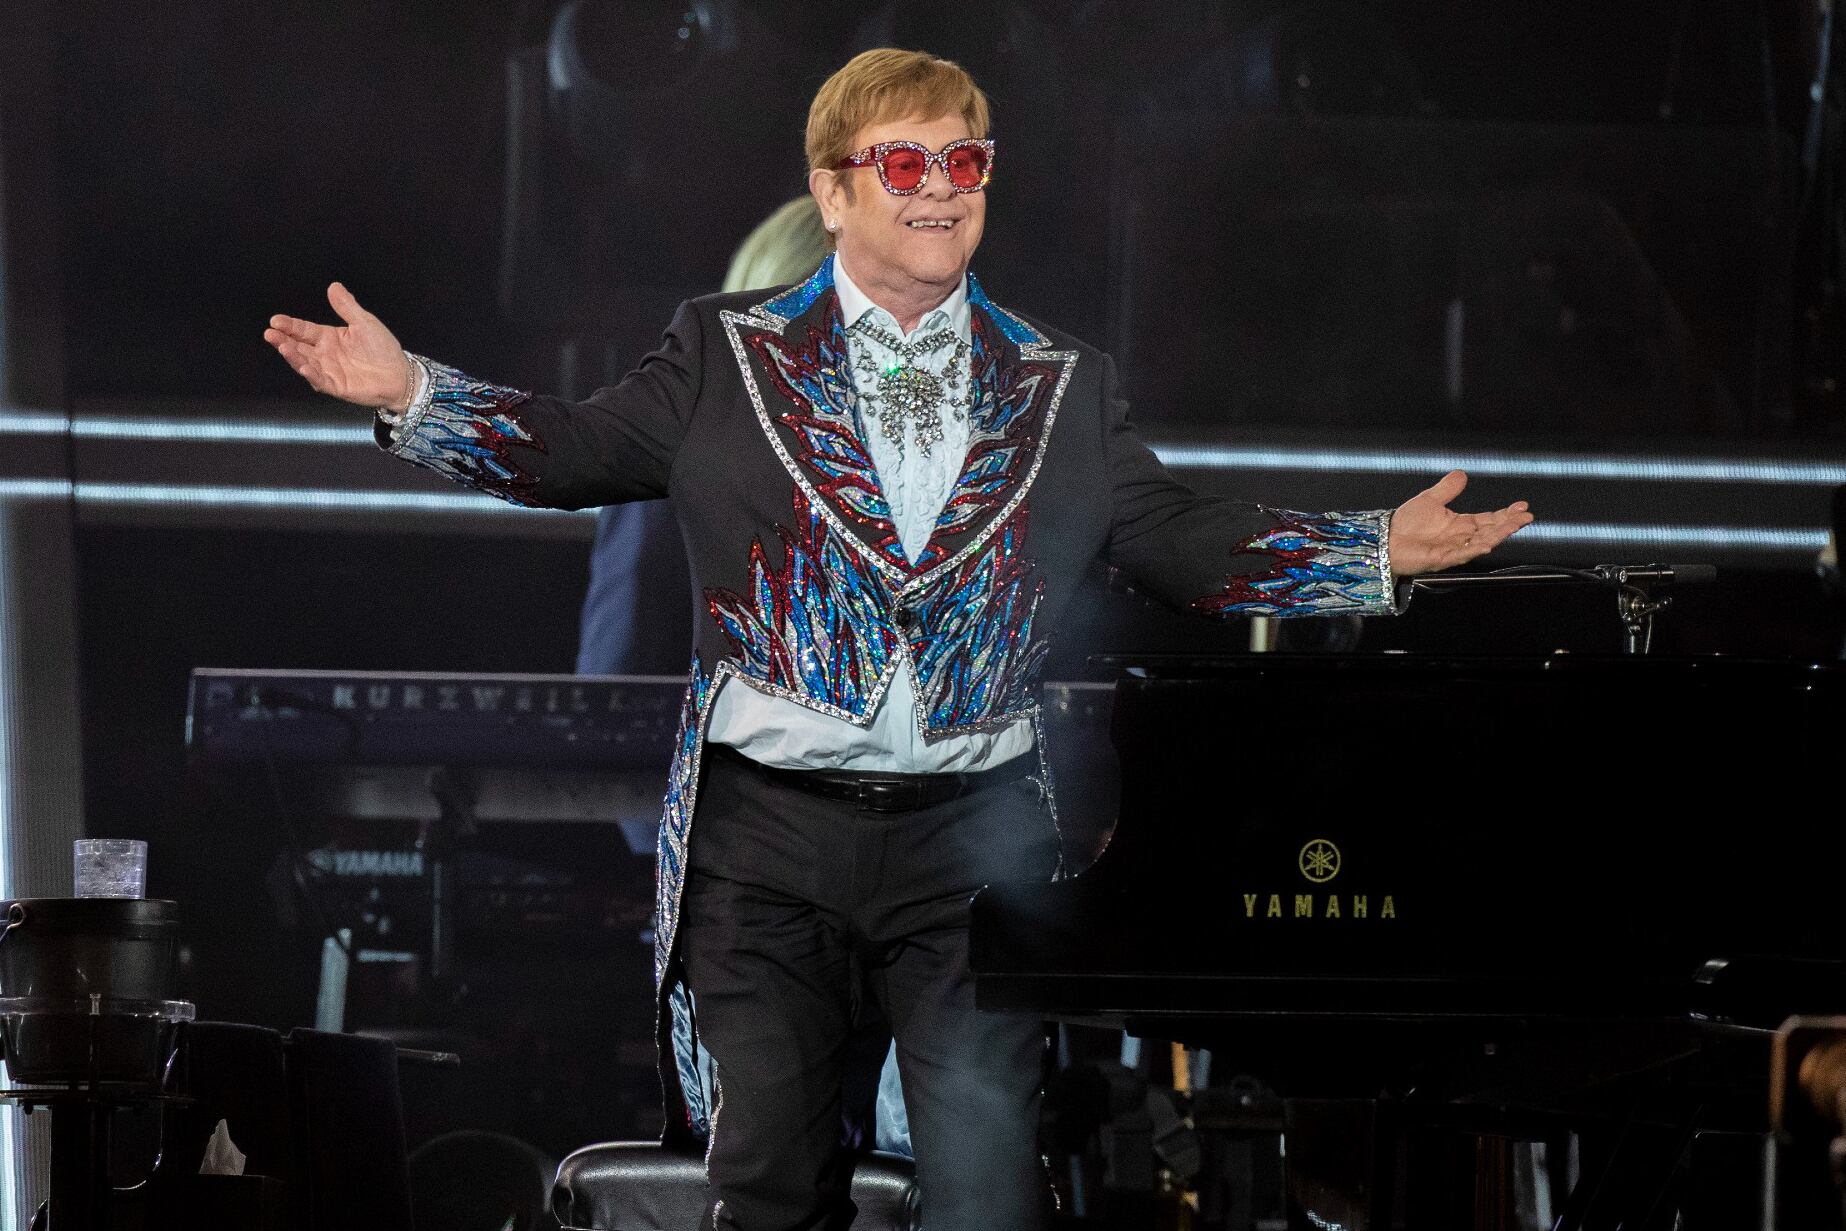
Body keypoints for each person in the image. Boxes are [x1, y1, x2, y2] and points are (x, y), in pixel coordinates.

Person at [264, 47, 1532, 1231]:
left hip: (970, 842)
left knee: (987, 1190)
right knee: (769, 1182)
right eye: (905, 165)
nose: (939, 191)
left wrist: (1369, 550)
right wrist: (417, 396)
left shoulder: (1062, 383)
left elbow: (1179, 540)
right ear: (831, 190)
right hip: (767, 841)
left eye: (962, 163)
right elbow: (571, 451)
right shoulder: (726, 353)